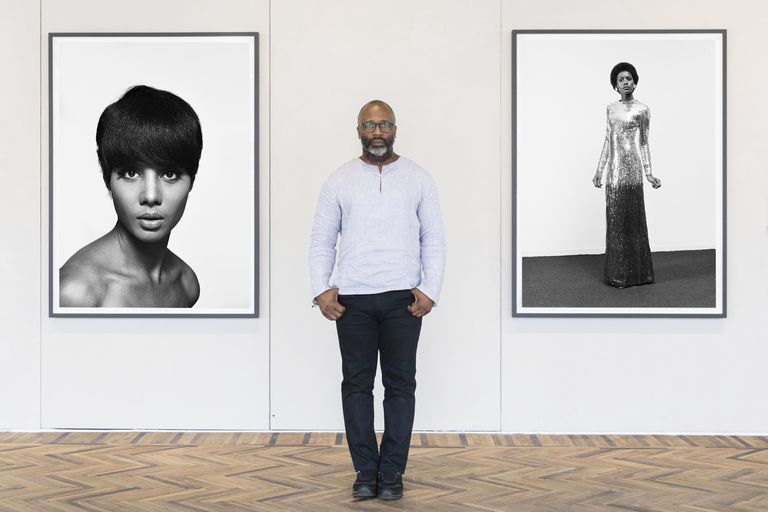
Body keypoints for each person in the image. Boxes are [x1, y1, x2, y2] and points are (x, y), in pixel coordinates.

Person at [309, 100, 445, 500]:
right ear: (358, 131)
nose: (378, 132)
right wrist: (321, 288)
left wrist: (429, 289)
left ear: (395, 128)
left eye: (384, 124)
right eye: (369, 125)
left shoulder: (419, 178)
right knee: (356, 387)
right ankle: (365, 472)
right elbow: (321, 238)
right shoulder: (339, 179)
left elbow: (433, 238)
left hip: (404, 299)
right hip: (352, 299)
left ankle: (392, 475)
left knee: (400, 386)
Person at [59, 85, 202, 308]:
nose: (151, 196)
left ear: (192, 180)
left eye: (169, 174)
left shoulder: (186, 284)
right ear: (107, 178)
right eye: (131, 173)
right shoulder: (76, 292)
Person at [593, 62, 661, 288]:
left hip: (632, 169)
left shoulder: (642, 110)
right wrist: (599, 169)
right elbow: (607, 140)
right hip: (614, 169)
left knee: (633, 220)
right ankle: (617, 274)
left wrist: (649, 173)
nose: (625, 82)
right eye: (621, 79)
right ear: (615, 85)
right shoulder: (611, 109)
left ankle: (639, 274)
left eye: (629, 78)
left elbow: (643, 143)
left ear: (635, 81)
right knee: (616, 219)